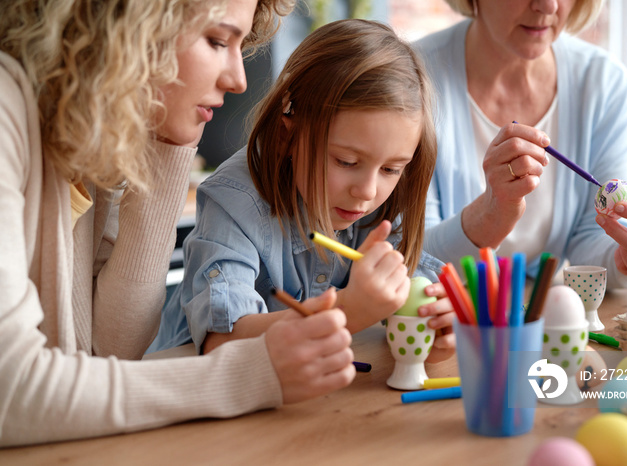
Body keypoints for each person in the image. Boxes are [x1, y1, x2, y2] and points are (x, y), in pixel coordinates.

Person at [0, 0, 359, 448]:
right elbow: (11, 392)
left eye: (240, 45)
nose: (238, 79)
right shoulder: (5, 116)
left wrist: (171, 144)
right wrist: (248, 375)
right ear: (127, 23)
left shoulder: (86, 141)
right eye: (216, 41)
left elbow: (115, 350)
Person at [152, 19, 457, 363]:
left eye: (391, 169)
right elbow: (223, 342)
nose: (367, 191)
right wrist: (347, 310)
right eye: (345, 161)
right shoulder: (236, 200)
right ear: (289, 131)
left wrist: (430, 329)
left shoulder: (383, 203)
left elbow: (415, 296)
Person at [414, 0, 627, 289]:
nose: (548, 6)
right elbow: (408, 256)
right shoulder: (413, 77)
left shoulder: (603, 83)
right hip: (444, 320)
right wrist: (491, 215)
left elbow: (592, 235)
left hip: (540, 311)